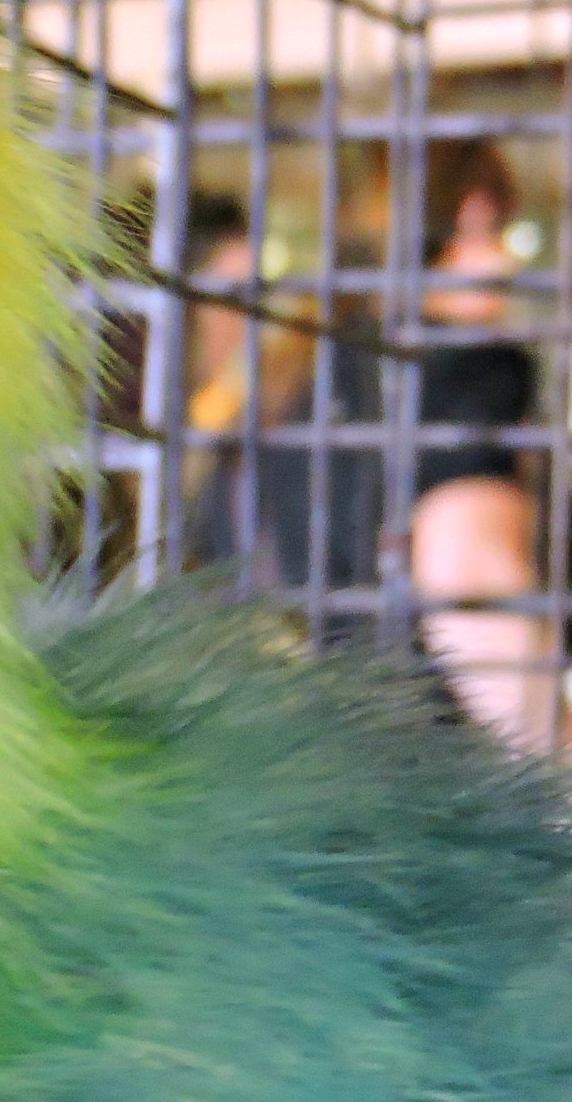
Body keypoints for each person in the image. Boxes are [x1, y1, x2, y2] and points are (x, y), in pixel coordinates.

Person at [184, 145, 556, 752]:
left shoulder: (288, 375)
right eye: (502, 231)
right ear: (470, 218)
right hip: (427, 788)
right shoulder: (468, 366)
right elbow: (470, 581)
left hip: (278, 772)